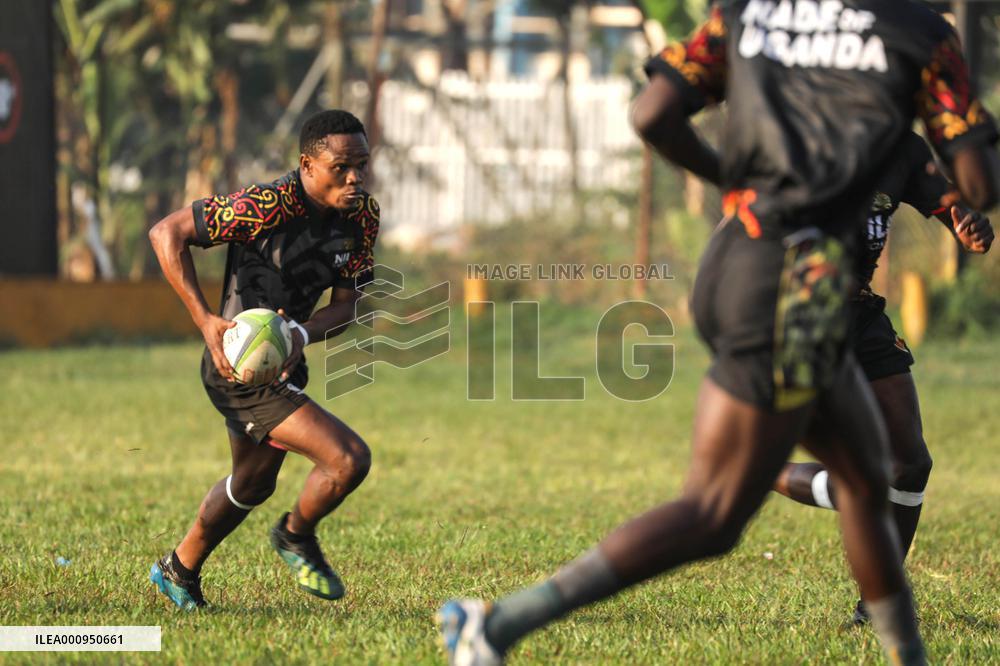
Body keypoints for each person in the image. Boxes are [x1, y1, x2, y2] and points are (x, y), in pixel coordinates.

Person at [437, 2, 998, 664]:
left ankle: (908, 654)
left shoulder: (751, 13)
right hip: (794, 283)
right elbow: (977, 182)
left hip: (745, 261)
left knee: (872, 478)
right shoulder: (920, 31)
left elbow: (652, 114)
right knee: (714, 514)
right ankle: (496, 625)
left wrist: (733, 182)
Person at [147, 109, 379, 609]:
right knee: (347, 459)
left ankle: (178, 569)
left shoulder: (362, 216)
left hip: (284, 360)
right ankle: (295, 535)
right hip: (239, 368)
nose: (355, 176)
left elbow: (346, 307)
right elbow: (166, 233)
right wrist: (207, 322)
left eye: (362, 164)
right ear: (308, 165)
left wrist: (299, 332)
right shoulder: (267, 204)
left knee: (252, 482)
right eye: (342, 166)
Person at [774, 131, 994, 625]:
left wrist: (968, 222)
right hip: (797, 316)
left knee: (910, 464)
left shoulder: (904, 150)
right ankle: (761, 470)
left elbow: (952, 208)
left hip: (861, 316)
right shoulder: (801, 134)